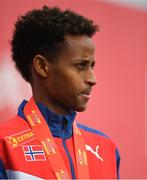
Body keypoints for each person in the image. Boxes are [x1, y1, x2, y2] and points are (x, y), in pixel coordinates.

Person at [0, 6, 120, 179]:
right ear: (42, 66)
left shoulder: (106, 149)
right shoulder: (4, 143)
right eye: (81, 65)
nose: (93, 79)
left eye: (92, 66)